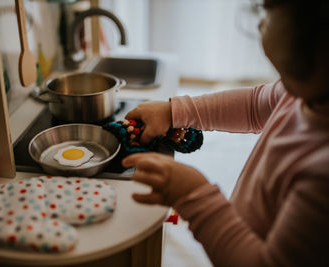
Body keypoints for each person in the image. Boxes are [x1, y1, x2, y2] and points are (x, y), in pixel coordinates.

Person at [121, 0, 329, 266]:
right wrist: (174, 111)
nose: (259, 22)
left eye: (270, 9)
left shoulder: (323, 178)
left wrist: (195, 196)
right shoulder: (302, 93)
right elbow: (253, 106)